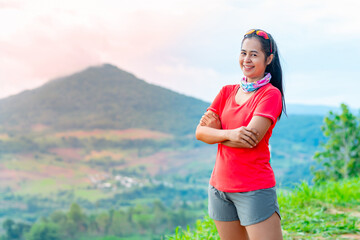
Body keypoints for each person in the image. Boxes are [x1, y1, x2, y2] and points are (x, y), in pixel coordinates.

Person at [195, 29, 286, 240]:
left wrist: (216, 132)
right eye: (243, 53)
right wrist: (231, 133)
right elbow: (200, 132)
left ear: (269, 59)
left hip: (254, 189)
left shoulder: (270, 94)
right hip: (219, 189)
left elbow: (249, 141)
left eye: (254, 54)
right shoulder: (226, 91)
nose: (247, 59)